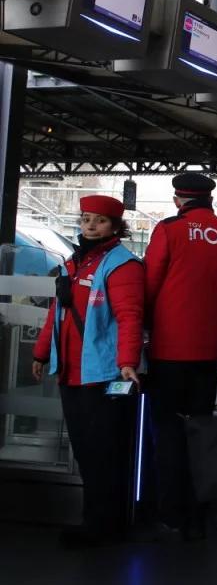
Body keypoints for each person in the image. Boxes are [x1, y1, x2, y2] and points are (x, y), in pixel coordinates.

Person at [32, 195, 145, 549]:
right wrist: (40, 352)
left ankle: (103, 526)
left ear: (115, 226)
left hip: (104, 374)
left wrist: (127, 362)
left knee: (102, 453)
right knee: (85, 451)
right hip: (73, 372)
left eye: (99, 220)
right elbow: (57, 313)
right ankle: (96, 522)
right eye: (85, 219)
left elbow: (130, 317)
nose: (90, 226)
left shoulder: (123, 265)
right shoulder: (72, 264)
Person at [143, 173, 217, 540]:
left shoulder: (168, 231)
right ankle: (199, 511)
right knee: (200, 430)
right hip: (208, 350)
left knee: (168, 431)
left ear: (178, 199)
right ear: (209, 199)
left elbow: (150, 285)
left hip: (169, 349)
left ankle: (171, 514)